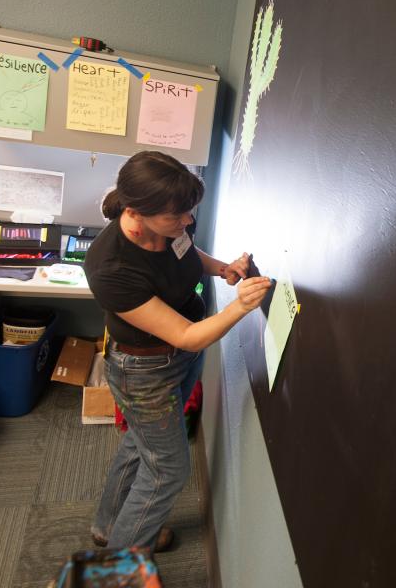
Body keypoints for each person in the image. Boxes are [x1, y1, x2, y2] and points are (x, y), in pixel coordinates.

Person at [84, 150, 271, 552]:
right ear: (135, 213)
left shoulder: (171, 221)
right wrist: (240, 306)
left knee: (142, 443)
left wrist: (222, 268)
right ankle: (119, 569)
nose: (187, 221)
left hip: (178, 359)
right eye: (178, 216)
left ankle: (109, 527)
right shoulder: (110, 268)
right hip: (143, 371)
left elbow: (186, 252)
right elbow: (186, 335)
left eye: (189, 212)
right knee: (168, 469)